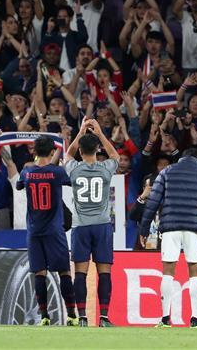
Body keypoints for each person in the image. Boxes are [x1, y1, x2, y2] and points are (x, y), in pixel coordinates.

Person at [139, 147, 197, 328]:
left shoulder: (166, 172)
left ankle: (164, 318)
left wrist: (144, 228)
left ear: (182, 158)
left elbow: (153, 201)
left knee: (168, 269)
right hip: (195, 228)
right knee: (194, 269)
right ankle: (194, 319)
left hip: (170, 226)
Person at [15, 136, 77, 326]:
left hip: (34, 232)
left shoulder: (27, 173)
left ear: (34, 152)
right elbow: (69, 181)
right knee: (64, 272)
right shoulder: (57, 172)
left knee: (39, 273)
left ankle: (44, 316)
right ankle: (72, 315)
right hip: (54, 230)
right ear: (52, 152)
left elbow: (18, 186)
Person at [65, 119, 119, 328]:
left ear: (81, 150)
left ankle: (83, 318)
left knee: (80, 273)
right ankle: (104, 317)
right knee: (104, 272)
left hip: (80, 227)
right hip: (102, 225)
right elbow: (115, 155)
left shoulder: (74, 169)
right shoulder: (105, 168)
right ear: (97, 149)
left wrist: (79, 132)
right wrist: (100, 133)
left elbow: (68, 154)